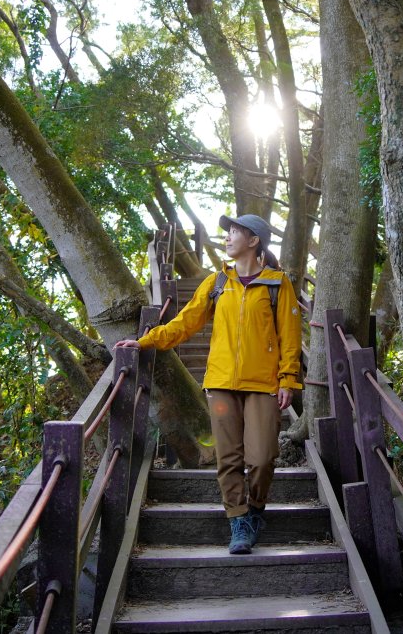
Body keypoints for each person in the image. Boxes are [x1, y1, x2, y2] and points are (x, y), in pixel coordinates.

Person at [115, 214, 303, 554]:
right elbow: (186, 322)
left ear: (254, 240)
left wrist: (288, 378)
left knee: (262, 457)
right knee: (228, 458)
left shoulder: (278, 283)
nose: (227, 238)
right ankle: (239, 521)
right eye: (228, 233)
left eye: (234, 233)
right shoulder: (217, 282)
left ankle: (257, 508)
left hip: (263, 384)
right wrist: (145, 342)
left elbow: (290, 338)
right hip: (220, 383)